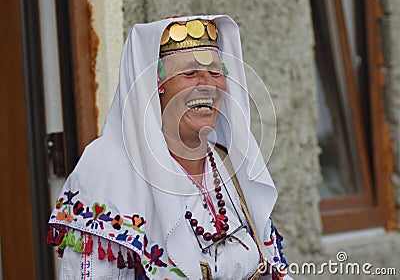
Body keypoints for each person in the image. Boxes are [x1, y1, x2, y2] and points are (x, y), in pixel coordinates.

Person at [47, 15, 292, 279]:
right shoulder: (107, 171)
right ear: (155, 87)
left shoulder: (228, 166)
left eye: (216, 73)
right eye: (189, 74)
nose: (208, 85)